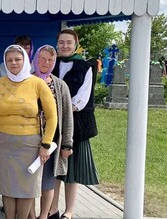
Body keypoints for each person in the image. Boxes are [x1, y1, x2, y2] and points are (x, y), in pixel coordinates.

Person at [0, 45, 57, 219]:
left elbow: (52, 116)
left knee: (26, 188)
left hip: (30, 145)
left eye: (17, 59)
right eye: (9, 60)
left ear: (25, 60)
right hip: (3, 144)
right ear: (4, 62)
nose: (14, 63)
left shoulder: (37, 83)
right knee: (7, 187)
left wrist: (45, 145)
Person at [51, 29, 100, 219]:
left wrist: (63, 109)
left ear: (76, 43)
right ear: (57, 44)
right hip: (52, 126)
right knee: (53, 171)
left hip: (76, 126)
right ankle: (51, 208)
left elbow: (82, 97)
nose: (65, 46)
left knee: (72, 172)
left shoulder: (86, 67)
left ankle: (69, 211)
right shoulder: (50, 64)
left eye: (68, 42)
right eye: (61, 42)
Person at [28, 45, 74, 219]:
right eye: (43, 58)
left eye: (50, 60)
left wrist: (67, 143)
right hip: (29, 139)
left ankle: (44, 215)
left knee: (48, 181)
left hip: (51, 143)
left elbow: (68, 116)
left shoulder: (60, 86)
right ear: (36, 59)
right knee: (30, 181)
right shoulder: (27, 81)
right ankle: (30, 215)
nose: (46, 63)